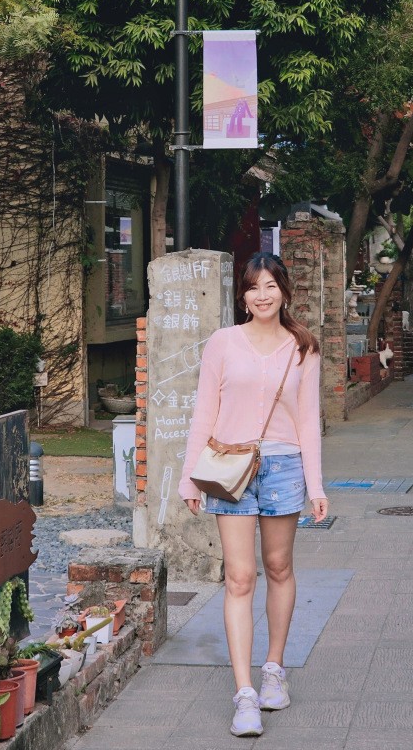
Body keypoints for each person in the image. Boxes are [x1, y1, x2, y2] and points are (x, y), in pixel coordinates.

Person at [179, 252, 328, 738]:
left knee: (279, 566)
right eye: (252, 287)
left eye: (270, 285)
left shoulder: (303, 347)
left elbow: (308, 421)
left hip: (284, 467)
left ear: (284, 290)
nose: (261, 295)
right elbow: (205, 411)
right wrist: (188, 477)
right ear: (241, 296)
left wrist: (317, 484)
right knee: (240, 577)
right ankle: (244, 693)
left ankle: (274, 670)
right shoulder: (223, 343)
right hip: (230, 467)